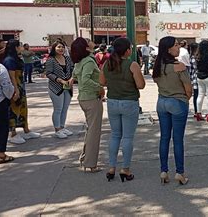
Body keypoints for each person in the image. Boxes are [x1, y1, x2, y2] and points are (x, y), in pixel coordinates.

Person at [100, 37, 145, 182]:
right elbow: (140, 85)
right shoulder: (132, 65)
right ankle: (125, 168)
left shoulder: (107, 64)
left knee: (115, 135)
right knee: (127, 137)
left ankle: (111, 167)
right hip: (129, 102)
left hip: (112, 101)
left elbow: (102, 82)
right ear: (127, 50)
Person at [153, 36, 192, 185]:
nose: (178, 48)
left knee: (164, 138)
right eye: (176, 45)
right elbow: (188, 89)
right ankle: (180, 173)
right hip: (177, 102)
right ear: (169, 49)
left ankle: (164, 171)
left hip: (161, 102)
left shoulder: (158, 66)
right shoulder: (179, 66)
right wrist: (185, 99)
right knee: (177, 139)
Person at [70, 38, 105, 172]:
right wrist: (99, 88)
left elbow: (75, 77)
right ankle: (90, 163)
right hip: (92, 98)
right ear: (85, 47)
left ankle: (85, 159)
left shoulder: (79, 61)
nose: (90, 41)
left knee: (90, 130)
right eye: (87, 41)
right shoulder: (89, 61)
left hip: (84, 98)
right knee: (94, 132)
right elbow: (84, 80)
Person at [3, 40, 41, 144]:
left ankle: (26, 130)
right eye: (20, 45)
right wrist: (15, 90)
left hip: (21, 86)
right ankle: (13, 134)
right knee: (14, 109)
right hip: (15, 87)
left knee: (23, 108)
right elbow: (12, 77)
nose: (22, 47)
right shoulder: (9, 60)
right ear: (15, 47)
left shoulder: (16, 58)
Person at [45, 40, 74, 139]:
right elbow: (48, 73)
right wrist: (60, 80)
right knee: (58, 109)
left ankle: (62, 127)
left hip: (68, 87)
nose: (61, 49)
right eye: (58, 47)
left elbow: (73, 69)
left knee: (65, 109)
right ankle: (57, 129)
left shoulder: (67, 58)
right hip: (56, 88)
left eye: (62, 47)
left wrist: (71, 78)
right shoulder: (51, 60)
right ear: (54, 48)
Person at [0, 39, 15, 163]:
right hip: (0, 101)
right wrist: (9, 96)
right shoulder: (0, 68)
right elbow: (7, 87)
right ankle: (0, 154)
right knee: (2, 127)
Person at [188, 43, 199, 117]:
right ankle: (197, 111)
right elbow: (195, 68)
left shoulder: (190, 57)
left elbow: (190, 71)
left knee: (196, 95)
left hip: (193, 78)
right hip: (197, 78)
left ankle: (196, 111)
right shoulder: (195, 58)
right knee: (198, 95)